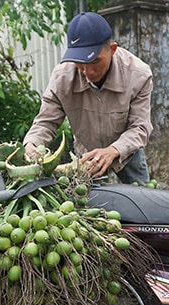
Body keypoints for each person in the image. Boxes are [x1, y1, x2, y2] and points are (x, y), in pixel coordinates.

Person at [23, 12, 153, 184]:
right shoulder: (62, 77)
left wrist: (114, 149)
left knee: (143, 199)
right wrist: (32, 144)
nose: (87, 72)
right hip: (86, 156)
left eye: (95, 62)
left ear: (112, 49)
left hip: (127, 152)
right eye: (80, 62)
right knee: (87, 205)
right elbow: (46, 121)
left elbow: (140, 127)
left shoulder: (138, 75)